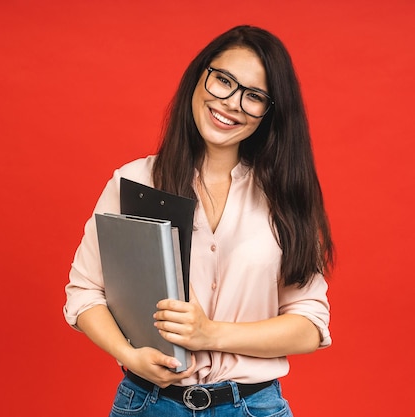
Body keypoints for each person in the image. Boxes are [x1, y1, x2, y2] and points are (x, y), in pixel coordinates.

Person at [63, 25, 334, 417]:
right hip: (149, 404)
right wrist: (128, 355)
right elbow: (84, 292)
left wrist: (211, 333)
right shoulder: (134, 182)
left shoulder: (286, 197)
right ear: (199, 76)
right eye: (223, 80)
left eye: (254, 96)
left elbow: (310, 324)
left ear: (270, 112)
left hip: (253, 406)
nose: (231, 103)